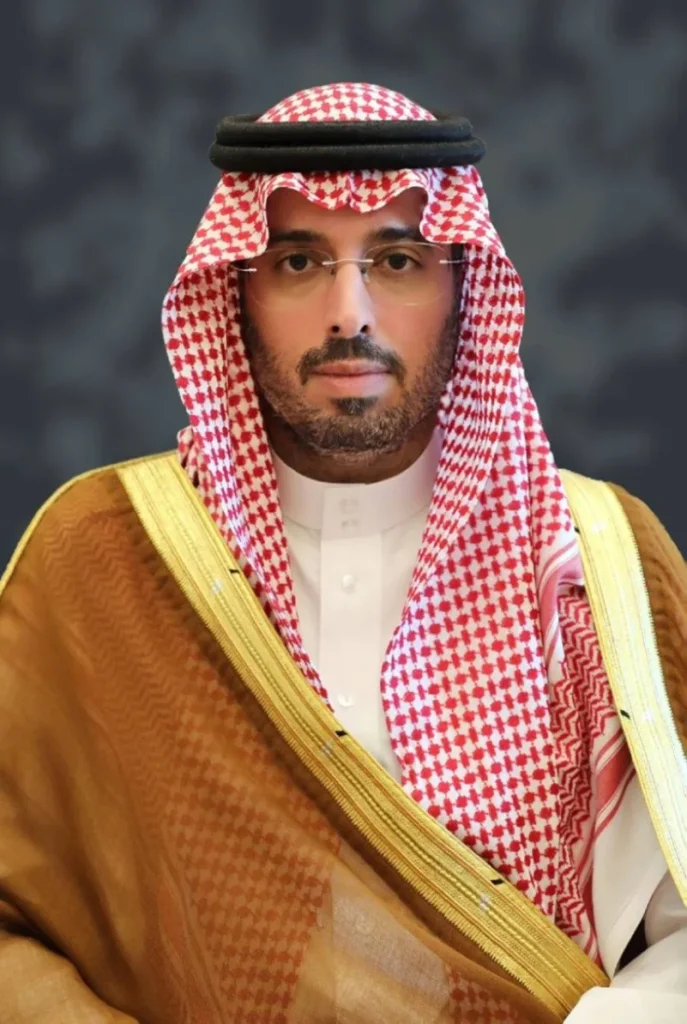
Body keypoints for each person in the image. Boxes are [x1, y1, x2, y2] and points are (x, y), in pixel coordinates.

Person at [0, 82, 685, 1023]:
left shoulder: (595, 563)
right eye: (297, 262)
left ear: (462, 288)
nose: (348, 312)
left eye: (397, 260)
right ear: (234, 292)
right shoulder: (103, 555)